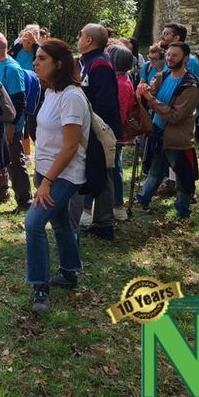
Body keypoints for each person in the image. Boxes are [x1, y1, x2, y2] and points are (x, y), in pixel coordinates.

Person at [25, 38, 89, 313]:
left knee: (33, 223)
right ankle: (69, 271)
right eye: (36, 58)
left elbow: (71, 146)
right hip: (46, 170)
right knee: (61, 222)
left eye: (42, 59)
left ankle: (40, 286)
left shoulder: (71, 97)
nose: (35, 63)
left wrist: (48, 181)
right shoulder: (51, 90)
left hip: (64, 174)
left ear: (59, 64)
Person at [135, 42, 199, 218]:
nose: (170, 58)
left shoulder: (190, 87)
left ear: (185, 58)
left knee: (183, 178)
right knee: (155, 171)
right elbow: (151, 95)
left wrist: (150, 99)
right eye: (169, 55)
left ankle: (183, 212)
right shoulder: (162, 76)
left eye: (175, 55)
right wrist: (144, 90)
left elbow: (174, 116)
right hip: (158, 134)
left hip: (177, 140)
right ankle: (142, 200)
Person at [76, 23, 123, 240]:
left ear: (88, 40)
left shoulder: (100, 65)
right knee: (95, 172)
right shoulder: (88, 62)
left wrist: (93, 127)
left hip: (99, 129)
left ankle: (104, 224)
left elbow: (105, 101)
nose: (78, 38)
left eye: (81, 35)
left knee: (103, 173)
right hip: (89, 127)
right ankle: (97, 219)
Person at [0, 32, 31, 214]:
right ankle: (1, 192)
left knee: (14, 162)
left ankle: (25, 200)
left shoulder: (12, 69)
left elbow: (19, 100)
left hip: (10, 126)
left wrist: (12, 125)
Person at [107, 44, 137, 221]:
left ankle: (118, 205)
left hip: (115, 133)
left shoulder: (122, 84)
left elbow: (120, 113)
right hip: (113, 132)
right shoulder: (119, 80)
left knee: (114, 168)